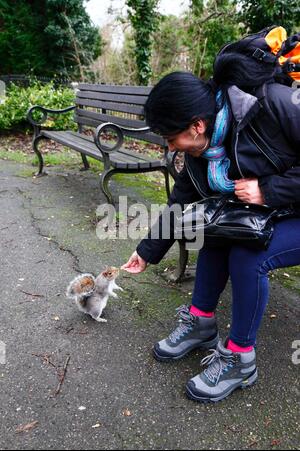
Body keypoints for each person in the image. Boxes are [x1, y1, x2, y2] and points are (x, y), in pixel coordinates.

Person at [121, 48, 300, 402]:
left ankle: (240, 359)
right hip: (274, 211)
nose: (171, 149)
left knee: (249, 257)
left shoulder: (273, 105)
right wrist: (146, 251)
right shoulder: (204, 150)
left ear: (196, 125)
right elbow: (180, 202)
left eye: (172, 139)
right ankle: (201, 323)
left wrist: (268, 190)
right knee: (215, 234)